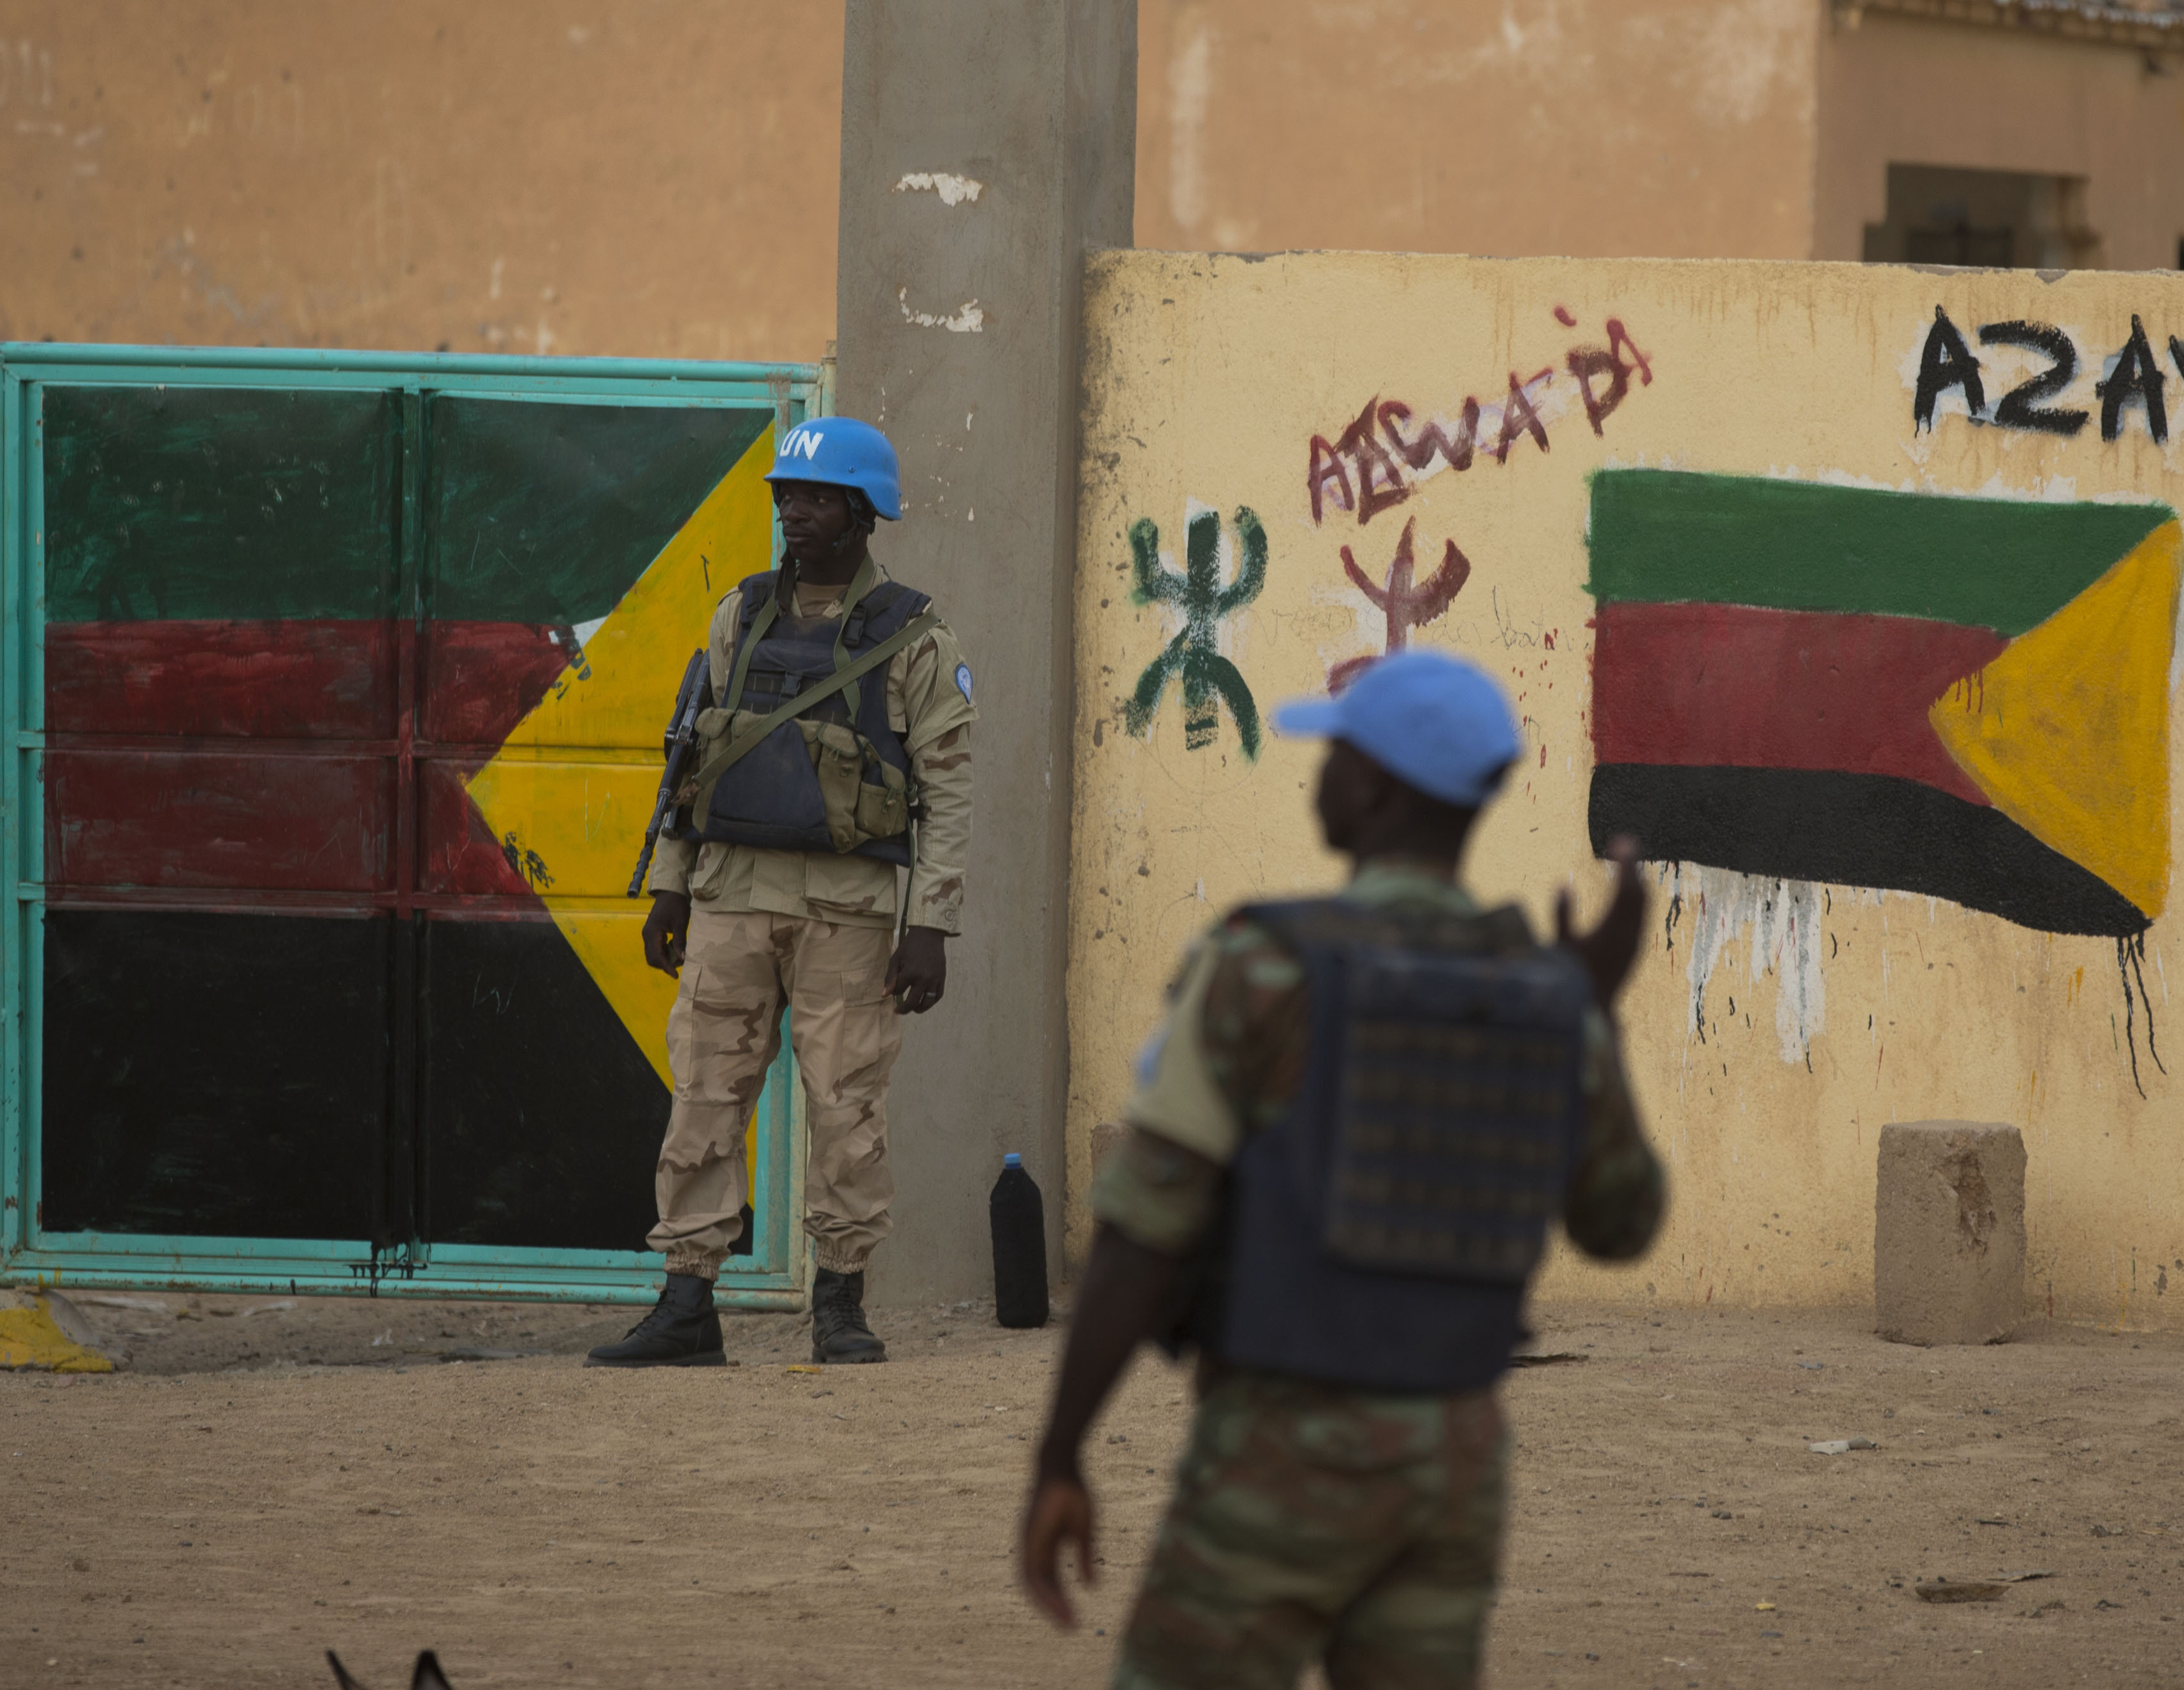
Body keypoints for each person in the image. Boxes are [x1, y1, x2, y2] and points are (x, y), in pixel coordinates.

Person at [1016, 649, 1666, 1687]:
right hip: (1453, 1461)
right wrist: (1589, 1007)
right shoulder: (1545, 997)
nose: (1318, 773)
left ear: (1368, 787)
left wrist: (1060, 1454)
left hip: (1283, 1450)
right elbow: (1622, 1224)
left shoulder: (1262, 968)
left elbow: (1145, 1231)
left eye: (1333, 754)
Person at [587, 416, 976, 1369]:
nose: (794, 514)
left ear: (863, 511)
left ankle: (839, 1305)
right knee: (706, 1095)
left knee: (846, 1107)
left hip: (848, 911)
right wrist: (670, 887)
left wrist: (931, 925)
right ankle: (687, 1302)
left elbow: (949, 789)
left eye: (816, 498)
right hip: (730, 895)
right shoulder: (741, 614)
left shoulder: (915, 635)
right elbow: (691, 753)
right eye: (784, 497)